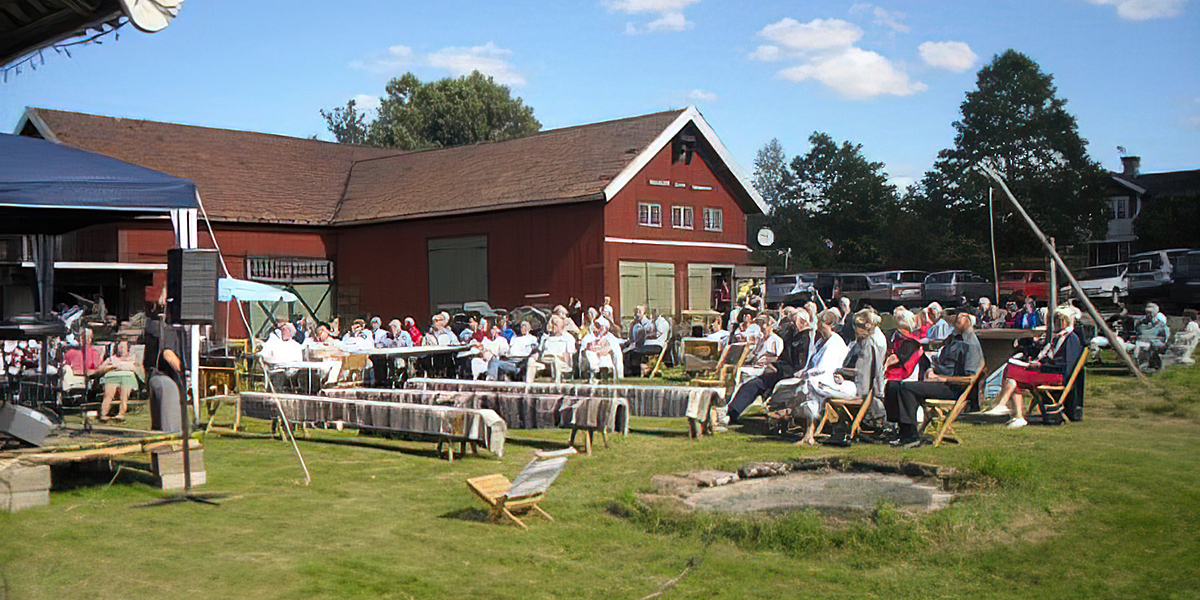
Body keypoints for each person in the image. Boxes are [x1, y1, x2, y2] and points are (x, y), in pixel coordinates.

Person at [888, 312, 983, 447]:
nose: (956, 319)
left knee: (907, 388)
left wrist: (940, 378)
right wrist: (931, 371)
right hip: (941, 382)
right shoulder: (954, 339)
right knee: (896, 385)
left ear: (969, 321)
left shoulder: (971, 344)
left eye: (961, 317)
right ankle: (903, 431)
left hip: (953, 389)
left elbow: (970, 379)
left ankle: (910, 435)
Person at [726, 308, 814, 424]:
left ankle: (732, 413)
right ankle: (732, 412)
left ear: (803, 322)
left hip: (790, 375)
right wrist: (774, 365)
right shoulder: (792, 336)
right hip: (781, 371)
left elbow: (799, 365)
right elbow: (783, 358)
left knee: (758, 382)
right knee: (753, 383)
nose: (792, 325)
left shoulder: (805, 339)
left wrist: (776, 367)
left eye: (794, 322)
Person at [793, 309, 852, 445]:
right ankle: (802, 429)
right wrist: (804, 371)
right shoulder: (821, 341)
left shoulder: (835, 342)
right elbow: (812, 363)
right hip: (820, 377)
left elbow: (824, 368)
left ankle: (809, 432)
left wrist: (807, 374)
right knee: (791, 384)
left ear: (828, 323)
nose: (817, 325)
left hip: (832, 379)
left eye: (820, 322)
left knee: (810, 386)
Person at [143, 293, 185, 432]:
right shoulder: (164, 328)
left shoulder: (151, 325)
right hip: (164, 377)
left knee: (158, 425)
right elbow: (168, 354)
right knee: (170, 427)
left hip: (153, 377)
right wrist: (184, 373)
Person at [97, 340, 143, 422]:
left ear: (128, 349)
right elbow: (100, 369)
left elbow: (138, 370)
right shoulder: (111, 359)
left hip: (127, 377)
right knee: (108, 394)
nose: (121, 349)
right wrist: (109, 367)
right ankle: (103, 414)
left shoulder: (132, 359)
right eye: (120, 347)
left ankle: (121, 414)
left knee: (124, 394)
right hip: (112, 377)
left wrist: (124, 366)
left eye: (124, 347)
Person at [527, 315, 575, 382]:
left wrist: (561, 358)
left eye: (555, 325)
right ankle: (529, 385)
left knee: (556, 361)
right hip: (545, 360)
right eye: (552, 324)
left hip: (560, 361)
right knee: (531, 360)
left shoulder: (568, 338)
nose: (553, 327)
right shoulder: (546, 338)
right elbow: (540, 351)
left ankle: (556, 385)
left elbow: (569, 355)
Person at [1130, 303, 1170, 370]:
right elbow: (1136, 333)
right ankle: (1136, 365)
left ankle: (1142, 366)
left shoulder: (1160, 325)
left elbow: (1165, 338)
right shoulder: (1140, 323)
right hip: (1140, 342)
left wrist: (1155, 343)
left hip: (1153, 343)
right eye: (1147, 312)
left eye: (1151, 312)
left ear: (1155, 313)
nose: (1149, 315)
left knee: (1145, 347)